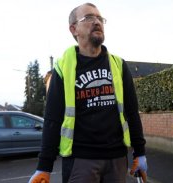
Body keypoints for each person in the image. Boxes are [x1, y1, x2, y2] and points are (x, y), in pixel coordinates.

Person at [29, 2, 147, 183]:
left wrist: (140, 152)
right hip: (80, 159)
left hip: (117, 157)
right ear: (73, 29)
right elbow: (53, 119)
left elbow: (132, 112)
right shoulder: (63, 68)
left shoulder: (118, 65)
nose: (97, 22)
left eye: (100, 18)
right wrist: (44, 166)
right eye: (89, 18)